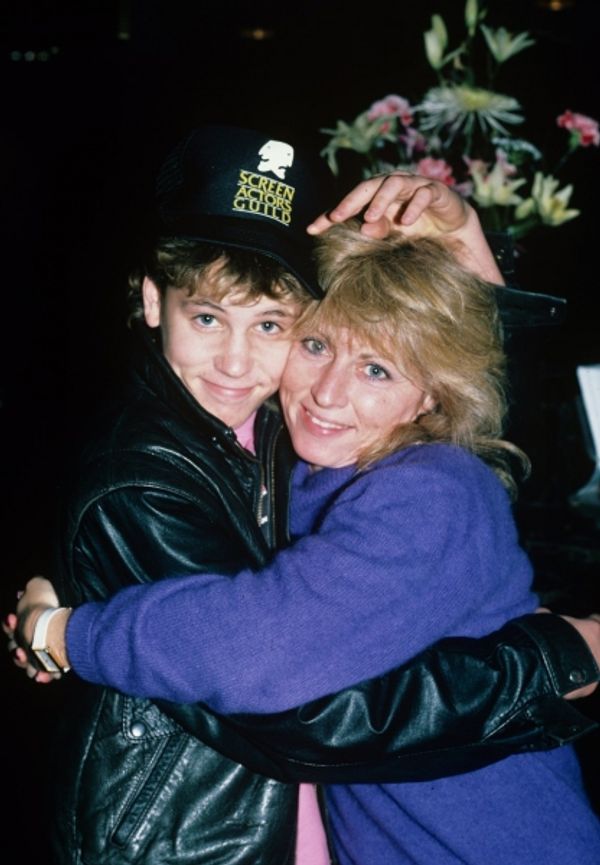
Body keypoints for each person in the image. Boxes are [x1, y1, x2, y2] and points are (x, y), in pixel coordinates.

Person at [9, 126, 600, 864]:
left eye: (375, 371)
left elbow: (264, 647)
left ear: (431, 395)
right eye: (317, 346)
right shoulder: (298, 452)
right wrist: (82, 575)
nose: (326, 392)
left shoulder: (426, 487)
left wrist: (68, 632)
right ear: (154, 302)